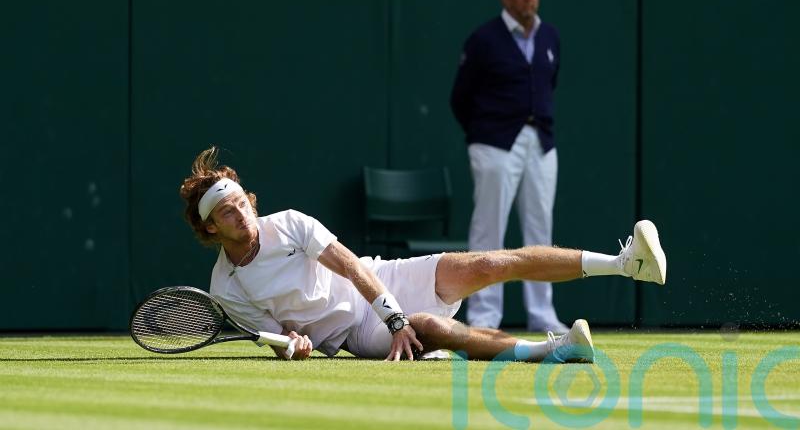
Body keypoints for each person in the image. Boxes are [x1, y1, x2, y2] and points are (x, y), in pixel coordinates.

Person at [178, 146, 667, 363]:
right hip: (354, 332)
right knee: (429, 329)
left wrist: (393, 316)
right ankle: (556, 350)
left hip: (376, 280)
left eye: (241, 201)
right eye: (226, 211)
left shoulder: (289, 224)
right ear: (210, 227)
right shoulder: (227, 288)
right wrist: (294, 346)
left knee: (487, 264)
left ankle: (626, 264)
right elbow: (280, 334)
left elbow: (348, 265)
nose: (239, 213)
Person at [450, 0, 567, 332]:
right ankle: (484, 316)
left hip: (541, 143)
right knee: (489, 231)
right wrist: (482, 136)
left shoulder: (550, 37)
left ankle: (541, 314)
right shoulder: (484, 39)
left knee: (540, 230)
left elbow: (551, 84)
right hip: (494, 144)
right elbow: (460, 97)